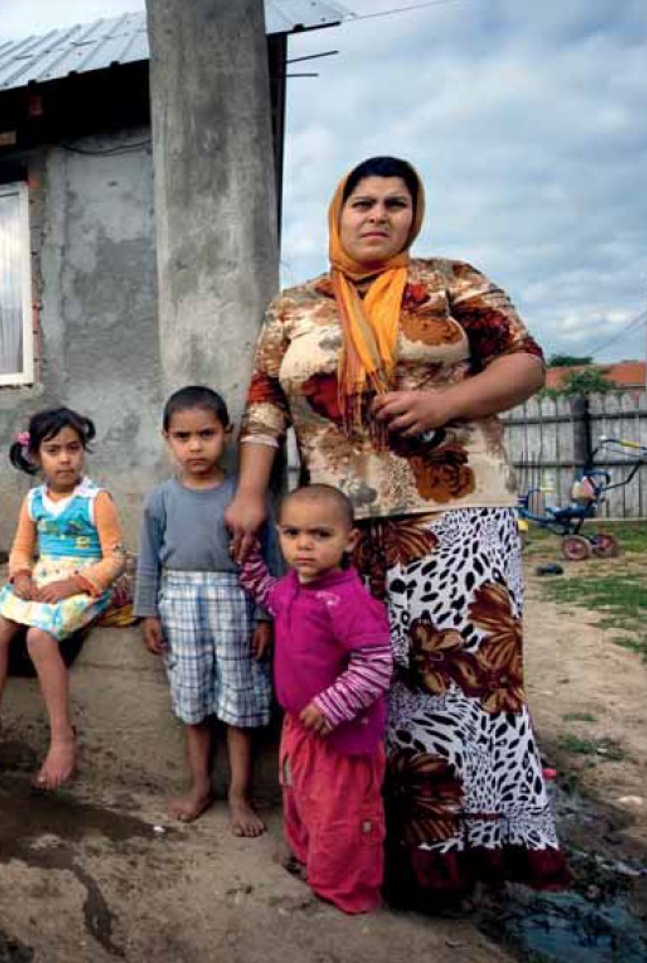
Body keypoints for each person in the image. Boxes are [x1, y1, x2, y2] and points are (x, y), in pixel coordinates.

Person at [228, 155, 568, 906]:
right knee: (355, 691)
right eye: (363, 202)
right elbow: (262, 408)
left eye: (396, 204)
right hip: (340, 533)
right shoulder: (293, 307)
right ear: (338, 212)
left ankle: (457, 864)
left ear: (415, 216)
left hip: (456, 520)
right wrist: (251, 495)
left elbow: (526, 364)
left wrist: (446, 405)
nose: (378, 215)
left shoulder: (451, 282)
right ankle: (355, 846)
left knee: (458, 692)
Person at [239, 484, 392, 914]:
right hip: (300, 728)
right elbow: (260, 588)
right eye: (292, 534)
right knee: (303, 800)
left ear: (350, 540)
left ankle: (347, 892)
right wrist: (248, 549)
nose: (304, 545)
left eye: (320, 535)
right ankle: (312, 866)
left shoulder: (348, 600)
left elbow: (376, 664)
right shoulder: (290, 589)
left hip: (341, 736)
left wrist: (331, 705)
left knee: (342, 816)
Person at [0, 406, 126, 789]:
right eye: (53, 450)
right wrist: (19, 575)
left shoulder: (96, 499)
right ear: (36, 456)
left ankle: (62, 736)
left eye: (73, 448)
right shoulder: (33, 500)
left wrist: (79, 583)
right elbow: (20, 548)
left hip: (83, 583)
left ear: (84, 450)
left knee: (38, 635)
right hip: (42, 576)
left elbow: (116, 557)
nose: (65, 458)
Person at [137, 386, 274, 837]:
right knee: (193, 703)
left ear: (228, 434)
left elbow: (269, 559)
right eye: (183, 436)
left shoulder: (245, 497)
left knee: (240, 702)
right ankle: (199, 786)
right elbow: (149, 561)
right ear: (167, 438)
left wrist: (265, 616)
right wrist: (148, 613)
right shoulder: (161, 499)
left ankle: (239, 792)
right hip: (179, 604)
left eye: (207, 434)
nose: (195, 446)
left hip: (236, 601)